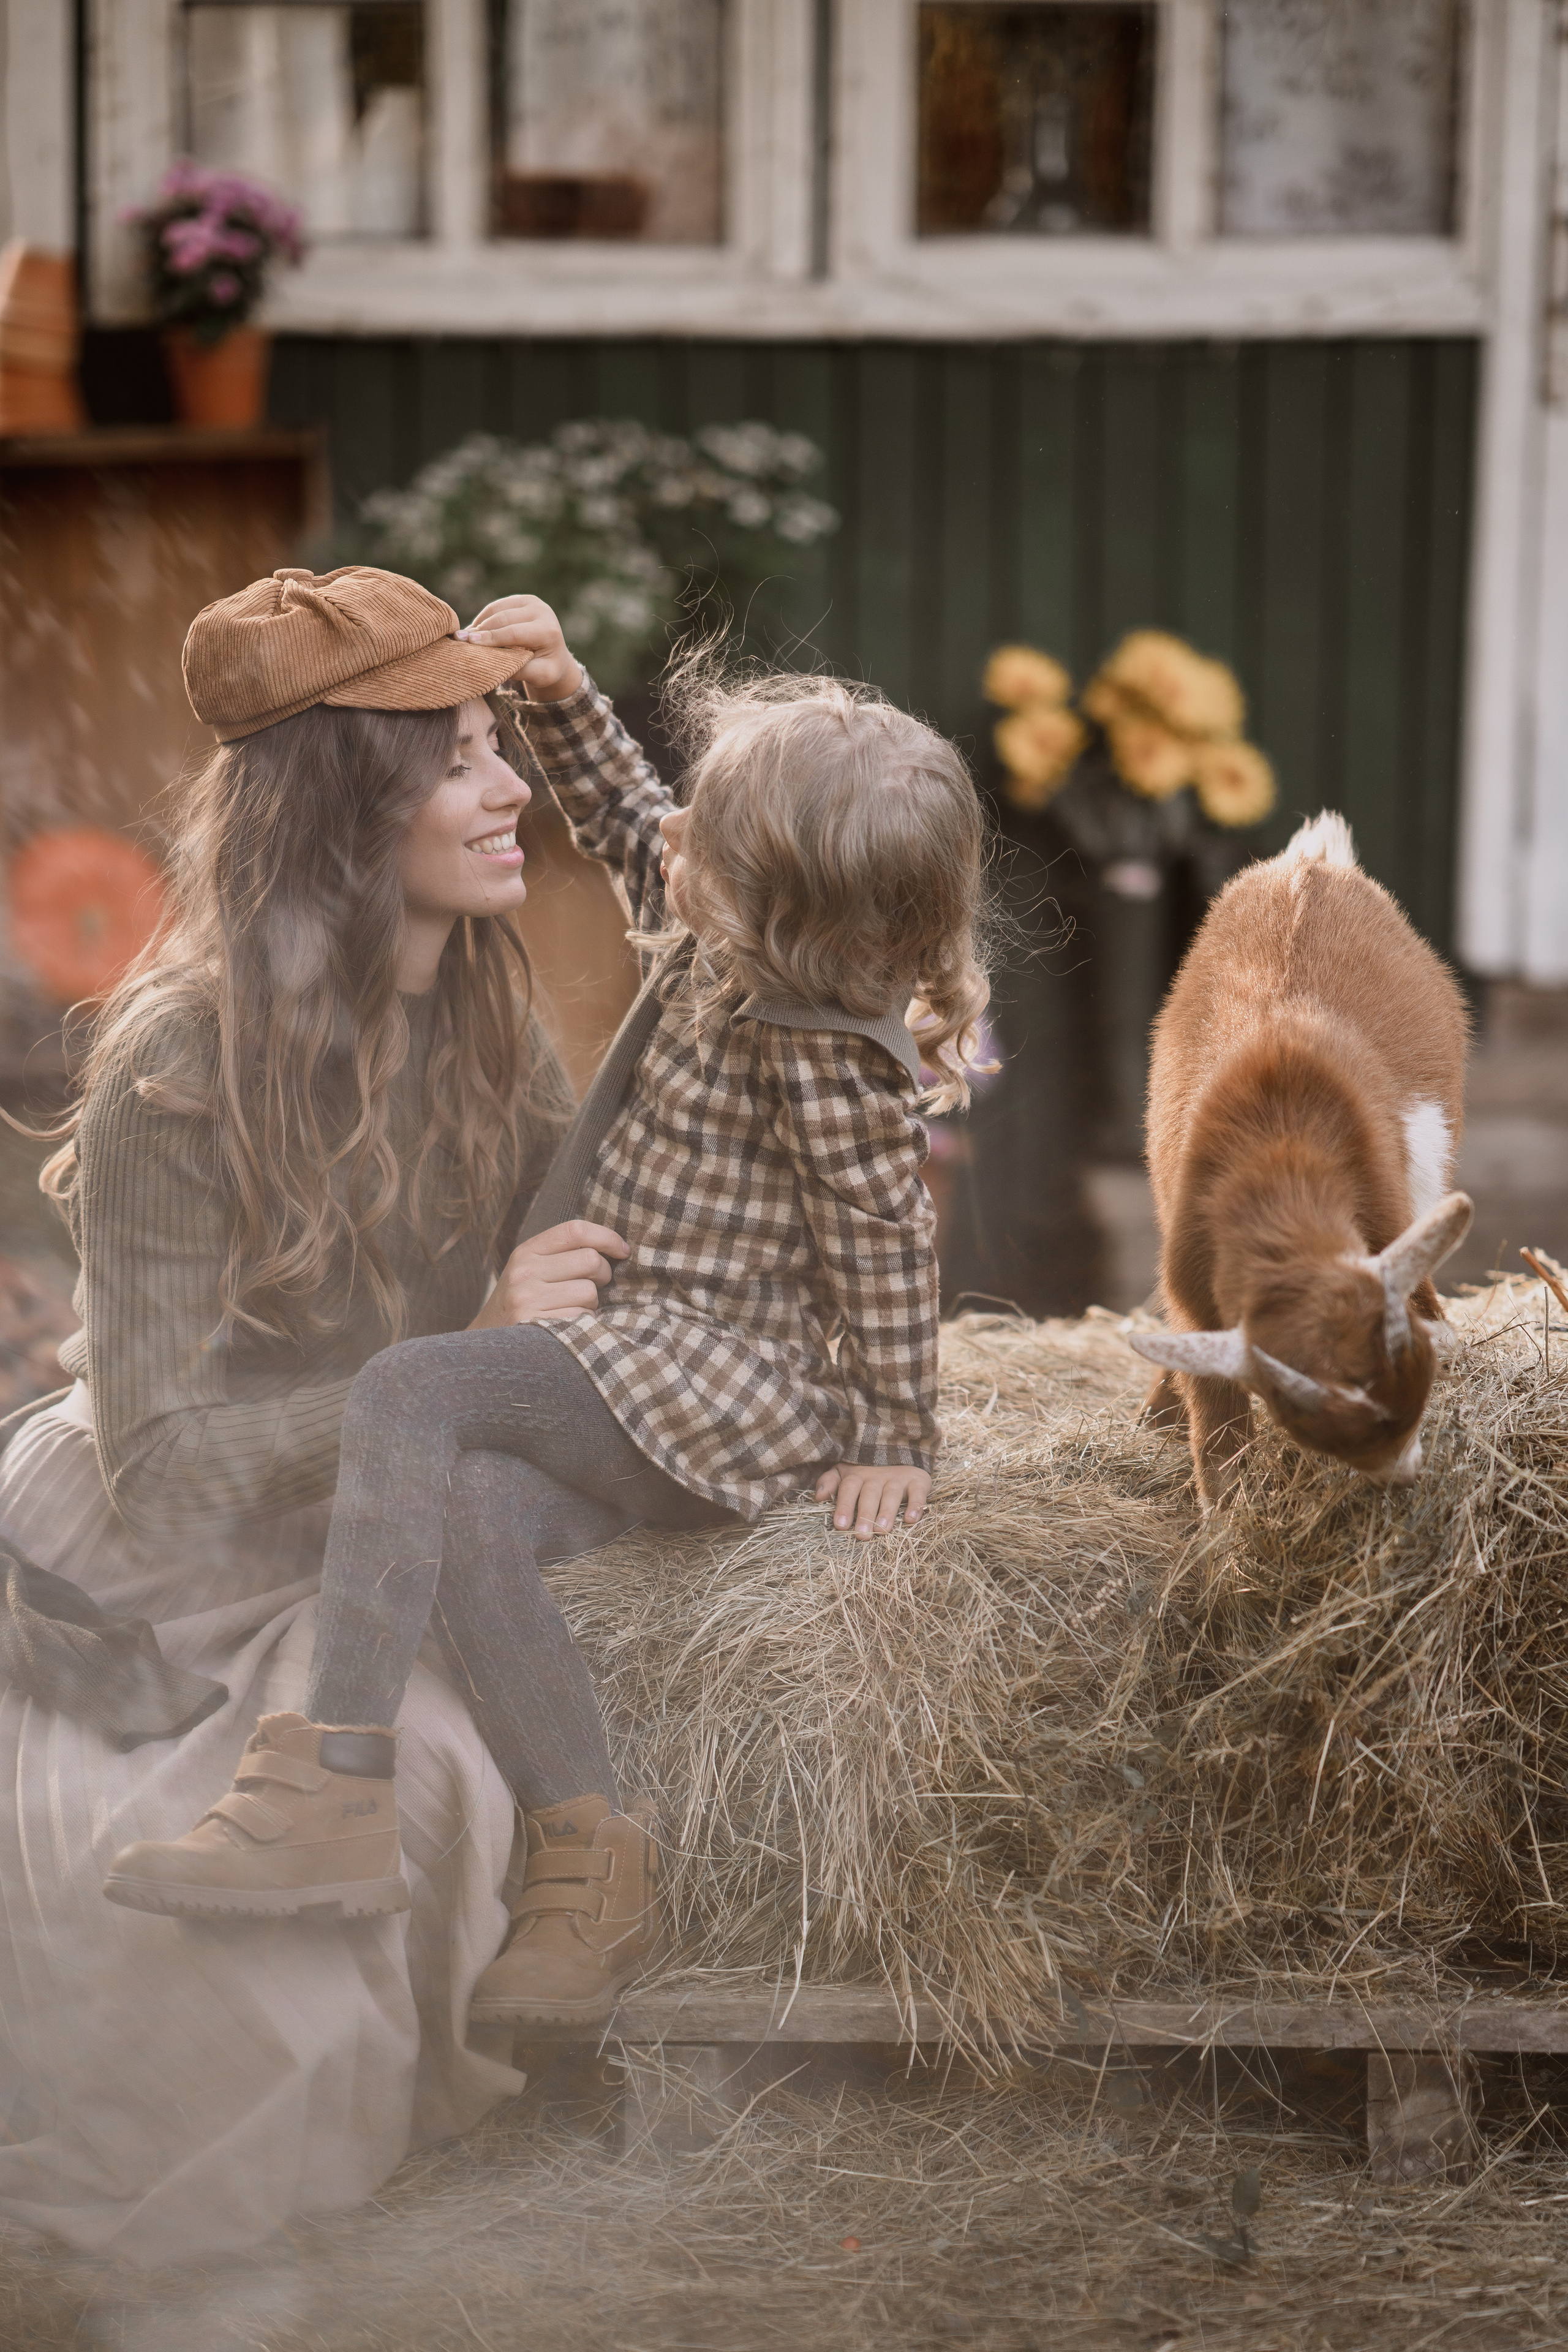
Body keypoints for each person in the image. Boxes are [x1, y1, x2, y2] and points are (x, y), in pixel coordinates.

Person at [104, 592, 994, 2035]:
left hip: (698, 1375)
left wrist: (897, 1431)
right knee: (472, 1506)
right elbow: (634, 815)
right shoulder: (718, 930)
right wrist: (566, 696)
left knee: (414, 1389)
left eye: (707, 831)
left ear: (764, 897)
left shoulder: (817, 1047)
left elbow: (885, 1247)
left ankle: (332, 1781)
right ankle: (592, 1862)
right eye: (460, 759)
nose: (670, 835)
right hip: (613, 1372)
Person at [0, 566, 638, 2261]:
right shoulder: (176, 1067)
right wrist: (454, 1358)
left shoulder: (485, 1011)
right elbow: (159, 1467)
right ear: (348, 813)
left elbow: (588, 1262)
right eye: (457, 761)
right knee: (326, 1823)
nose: (507, 794)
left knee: (441, 1772)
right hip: (160, 1547)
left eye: (497, 745)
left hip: (365, 1526)